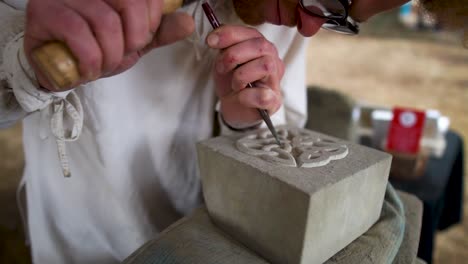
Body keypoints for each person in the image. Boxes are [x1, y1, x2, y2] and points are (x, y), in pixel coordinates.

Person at [0, 0, 446, 263]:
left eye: (341, 17)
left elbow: (283, 134)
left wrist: (242, 118)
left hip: (218, 234)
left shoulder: (293, 10)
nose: (311, 24)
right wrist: (29, 68)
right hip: (90, 242)